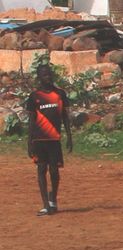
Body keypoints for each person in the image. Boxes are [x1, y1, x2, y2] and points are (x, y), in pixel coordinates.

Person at [26, 64, 72, 216]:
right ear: (39, 77)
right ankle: (46, 205)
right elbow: (31, 121)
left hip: (54, 139)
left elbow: (65, 116)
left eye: (49, 74)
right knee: (41, 169)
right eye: (44, 75)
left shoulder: (60, 94)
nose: (48, 77)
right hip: (39, 140)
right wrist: (29, 142)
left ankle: (53, 199)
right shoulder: (34, 97)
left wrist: (69, 137)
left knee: (54, 171)